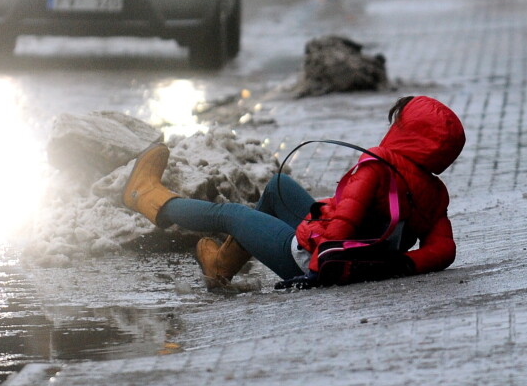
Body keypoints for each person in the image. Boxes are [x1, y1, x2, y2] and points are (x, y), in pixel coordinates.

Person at [122, 95, 466, 290]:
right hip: (345, 255)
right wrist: (401, 264)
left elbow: (344, 223)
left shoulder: (378, 165)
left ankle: (146, 196)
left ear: (405, 132)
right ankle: (220, 266)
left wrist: (319, 268)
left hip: (309, 257)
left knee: (228, 215)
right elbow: (443, 249)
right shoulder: (436, 193)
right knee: (277, 187)